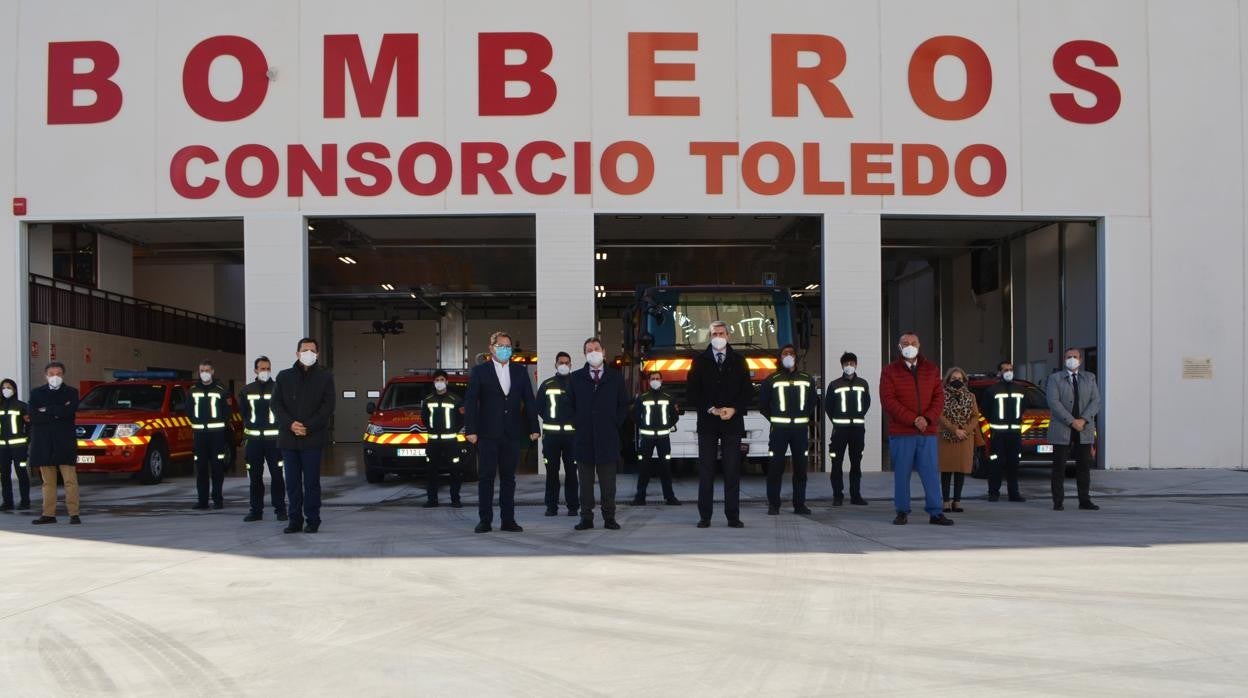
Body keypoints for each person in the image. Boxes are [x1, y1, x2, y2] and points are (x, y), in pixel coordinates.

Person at [464, 331, 539, 533]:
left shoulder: (519, 371)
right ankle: (485, 520)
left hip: (511, 433)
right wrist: (470, 429)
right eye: (501, 346)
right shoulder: (480, 371)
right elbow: (471, 401)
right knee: (486, 478)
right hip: (487, 433)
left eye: (508, 346)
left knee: (509, 479)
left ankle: (508, 520)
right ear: (492, 348)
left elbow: (529, 400)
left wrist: (534, 427)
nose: (505, 350)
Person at [879, 332, 954, 526]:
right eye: (905, 343)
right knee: (902, 474)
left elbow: (939, 398)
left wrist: (927, 419)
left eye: (913, 343)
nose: (909, 346)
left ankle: (936, 512)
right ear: (899, 346)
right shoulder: (889, 371)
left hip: (926, 432)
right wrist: (913, 419)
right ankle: (902, 511)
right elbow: (888, 401)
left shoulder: (931, 369)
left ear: (919, 346)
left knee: (930, 473)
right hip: (902, 432)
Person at [686, 320, 752, 529]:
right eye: (714, 333)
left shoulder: (739, 361)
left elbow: (747, 392)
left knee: (732, 470)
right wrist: (711, 409)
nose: (718, 337)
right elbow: (692, 392)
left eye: (721, 333)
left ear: (728, 336)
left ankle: (733, 516)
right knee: (706, 470)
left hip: (732, 423)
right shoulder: (699, 361)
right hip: (708, 423)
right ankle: (705, 516)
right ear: (710, 336)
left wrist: (734, 409)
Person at [272, 338, 336, 533]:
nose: (309, 353)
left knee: (311, 483)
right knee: (292, 483)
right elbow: (276, 405)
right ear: (297, 353)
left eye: (312, 350)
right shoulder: (284, 376)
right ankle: (294, 520)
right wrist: (291, 424)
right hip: (289, 439)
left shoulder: (325, 377)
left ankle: (313, 520)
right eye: (305, 349)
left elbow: (328, 407)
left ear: (317, 354)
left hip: (312, 439)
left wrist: (307, 426)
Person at [568, 338, 630, 531]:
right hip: (584, 438)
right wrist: (578, 422)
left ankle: (609, 517)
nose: (593, 352)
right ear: (584, 354)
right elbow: (569, 406)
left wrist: (613, 423)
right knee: (585, 483)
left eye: (596, 349)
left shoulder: (616, 377)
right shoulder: (575, 377)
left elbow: (623, 406)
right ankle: (586, 518)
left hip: (608, 437)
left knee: (608, 484)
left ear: (603, 351)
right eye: (589, 350)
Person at [759, 344, 816, 515]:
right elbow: (763, 405)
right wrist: (775, 419)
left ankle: (799, 505)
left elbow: (813, 401)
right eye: (785, 353)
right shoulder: (771, 379)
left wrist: (803, 416)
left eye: (792, 353)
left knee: (800, 469)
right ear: (780, 357)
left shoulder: (807, 378)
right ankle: (774, 504)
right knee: (775, 468)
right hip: (779, 431)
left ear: (796, 357)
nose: (789, 355)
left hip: (799, 430)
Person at [1046, 348, 1101, 511]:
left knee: (1084, 467)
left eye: (1075, 357)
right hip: (1062, 429)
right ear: (1064, 360)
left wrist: (1083, 420)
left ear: (1081, 360)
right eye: (1069, 357)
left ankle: (1084, 500)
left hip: (1084, 429)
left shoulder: (1089, 378)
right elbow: (1053, 403)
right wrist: (1072, 422)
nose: (1072, 359)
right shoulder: (1055, 379)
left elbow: (1096, 401)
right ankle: (1058, 501)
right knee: (1059, 467)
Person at [29, 362, 80, 525]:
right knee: (48, 482)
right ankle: (48, 514)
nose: (55, 377)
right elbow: (34, 417)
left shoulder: (71, 392)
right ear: (46, 376)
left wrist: (46, 410)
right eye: (51, 374)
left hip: (64, 442)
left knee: (70, 480)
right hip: (44, 442)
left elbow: (69, 411)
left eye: (58, 373)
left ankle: (74, 513)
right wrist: (58, 411)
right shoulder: (36, 393)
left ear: (63, 375)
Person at [239, 356, 287, 522]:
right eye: (262, 368)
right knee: (255, 478)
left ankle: (280, 509)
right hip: (253, 442)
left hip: (275, 442)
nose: (265, 371)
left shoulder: (278, 388)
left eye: (267, 368)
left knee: (277, 476)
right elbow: (243, 413)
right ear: (255, 370)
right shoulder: (246, 390)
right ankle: (256, 510)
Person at [536, 352, 579, 516]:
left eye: (567, 362)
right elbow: (539, 407)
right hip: (551, 438)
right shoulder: (546, 385)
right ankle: (551, 506)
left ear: (571, 365)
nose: (564, 365)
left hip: (571, 438)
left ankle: (573, 507)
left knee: (571, 473)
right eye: (561, 362)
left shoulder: (576, 384)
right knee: (552, 473)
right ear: (555, 364)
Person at [825, 352, 870, 506]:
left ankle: (855, 495)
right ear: (842, 366)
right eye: (846, 364)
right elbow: (828, 406)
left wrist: (857, 417)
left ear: (856, 364)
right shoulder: (834, 384)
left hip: (857, 430)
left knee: (856, 463)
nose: (849, 366)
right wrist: (838, 421)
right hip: (840, 430)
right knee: (836, 463)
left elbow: (866, 403)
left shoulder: (863, 384)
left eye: (852, 363)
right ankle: (838, 496)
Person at [630, 370, 681, 506]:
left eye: (657, 378)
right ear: (648, 381)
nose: (655, 380)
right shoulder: (642, 398)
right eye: (653, 378)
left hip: (664, 437)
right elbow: (634, 415)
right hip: (646, 438)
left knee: (665, 468)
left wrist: (667, 425)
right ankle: (640, 498)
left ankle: (670, 498)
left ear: (662, 380)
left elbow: (675, 416)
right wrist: (643, 426)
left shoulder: (669, 397)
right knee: (644, 469)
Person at [937, 367, 984, 513]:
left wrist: (966, 430)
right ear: (947, 380)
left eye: (959, 379)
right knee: (946, 470)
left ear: (964, 380)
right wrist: (954, 429)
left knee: (960, 470)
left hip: (965, 437)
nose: (956, 381)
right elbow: (939, 414)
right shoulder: (941, 396)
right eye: (953, 379)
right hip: (947, 436)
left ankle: (957, 501)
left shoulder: (970, 396)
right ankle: (945, 501)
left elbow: (975, 416)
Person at [186, 360, 231, 510]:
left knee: (217, 468)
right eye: (201, 370)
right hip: (199, 435)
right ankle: (202, 501)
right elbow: (188, 410)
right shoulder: (192, 390)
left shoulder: (221, 389)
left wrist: (220, 425)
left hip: (216, 435)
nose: (204, 373)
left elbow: (227, 411)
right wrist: (196, 422)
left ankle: (218, 500)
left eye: (206, 370)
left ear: (212, 371)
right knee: (201, 468)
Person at [982, 361, 1026, 502]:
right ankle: (993, 492)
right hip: (998, 434)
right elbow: (985, 409)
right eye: (1005, 369)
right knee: (996, 464)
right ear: (999, 372)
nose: (1008, 372)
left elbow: (1024, 407)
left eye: (1011, 369)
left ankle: (1014, 493)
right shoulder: (992, 390)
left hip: (1015, 434)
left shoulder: (1020, 389)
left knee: (1014, 464)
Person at [420, 370, 464, 508]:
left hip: (451, 442)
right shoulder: (427, 400)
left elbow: (461, 419)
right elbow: (424, 419)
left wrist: (453, 431)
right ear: (434, 383)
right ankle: (432, 500)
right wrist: (433, 430)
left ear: (447, 382)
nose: (439, 382)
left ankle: (455, 500)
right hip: (433, 442)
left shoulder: (456, 400)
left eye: (441, 380)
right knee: (431, 472)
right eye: (437, 380)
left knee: (455, 472)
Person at [0, 378, 31, 511]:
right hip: (2, 448)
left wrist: (27, 440)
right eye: (3, 388)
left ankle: (25, 501)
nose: (6, 390)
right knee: (4, 474)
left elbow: (30, 425)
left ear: (14, 389)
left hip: (19, 447)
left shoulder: (22, 406)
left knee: (21, 473)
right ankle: (7, 502)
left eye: (9, 387)